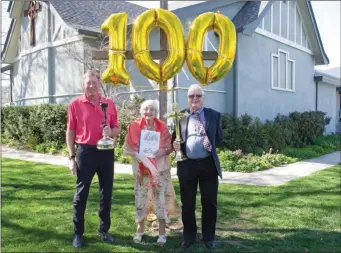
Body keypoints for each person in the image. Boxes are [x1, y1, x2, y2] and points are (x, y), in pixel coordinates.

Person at [66, 70, 120, 248]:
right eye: (88, 82)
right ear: (84, 84)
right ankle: (78, 234)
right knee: (81, 194)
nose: (91, 85)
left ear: (99, 84)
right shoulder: (75, 104)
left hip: (106, 152)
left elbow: (117, 128)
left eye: (94, 82)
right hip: (85, 152)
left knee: (107, 193)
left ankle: (104, 230)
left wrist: (110, 132)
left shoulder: (109, 103)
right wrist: (72, 157)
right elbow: (70, 131)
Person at [172, 84, 222, 249]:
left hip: (208, 165)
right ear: (188, 99)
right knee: (188, 203)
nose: (194, 99)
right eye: (191, 96)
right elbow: (175, 139)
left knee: (209, 202)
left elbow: (219, 138)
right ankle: (189, 236)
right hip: (187, 165)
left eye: (198, 96)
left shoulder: (214, 115)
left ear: (203, 98)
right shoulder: (181, 117)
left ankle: (208, 237)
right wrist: (175, 145)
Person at [124, 99, 180, 245]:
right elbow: (127, 148)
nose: (148, 112)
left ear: (155, 112)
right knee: (140, 200)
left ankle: (162, 234)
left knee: (160, 201)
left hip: (159, 171)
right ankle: (140, 231)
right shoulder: (134, 127)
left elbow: (169, 148)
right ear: (141, 111)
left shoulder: (162, 127)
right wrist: (139, 155)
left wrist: (161, 151)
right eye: (145, 109)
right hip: (141, 173)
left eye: (151, 110)